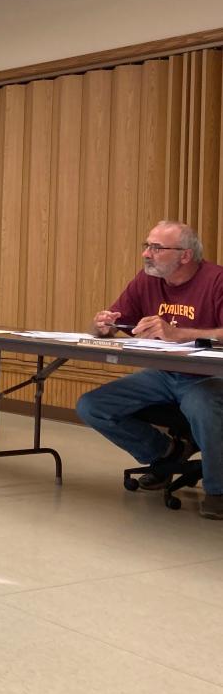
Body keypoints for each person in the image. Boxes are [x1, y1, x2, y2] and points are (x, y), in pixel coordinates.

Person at [76, 220, 223, 520]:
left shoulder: (216, 280)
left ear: (185, 255)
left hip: (211, 375)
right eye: (146, 245)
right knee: (93, 405)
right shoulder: (147, 280)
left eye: (156, 248)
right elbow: (115, 324)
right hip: (165, 374)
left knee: (203, 406)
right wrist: (102, 326)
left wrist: (180, 334)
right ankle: (166, 455)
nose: (146, 254)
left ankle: (218, 490)